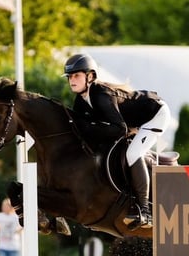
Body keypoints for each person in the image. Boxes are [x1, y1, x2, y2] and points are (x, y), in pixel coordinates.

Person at [63, 53, 171, 230]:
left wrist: (89, 129)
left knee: (133, 153)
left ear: (90, 76)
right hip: (134, 122)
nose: (72, 80)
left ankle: (144, 210)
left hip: (155, 115)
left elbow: (119, 129)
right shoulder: (80, 101)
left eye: (76, 75)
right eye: (70, 77)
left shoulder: (100, 95)